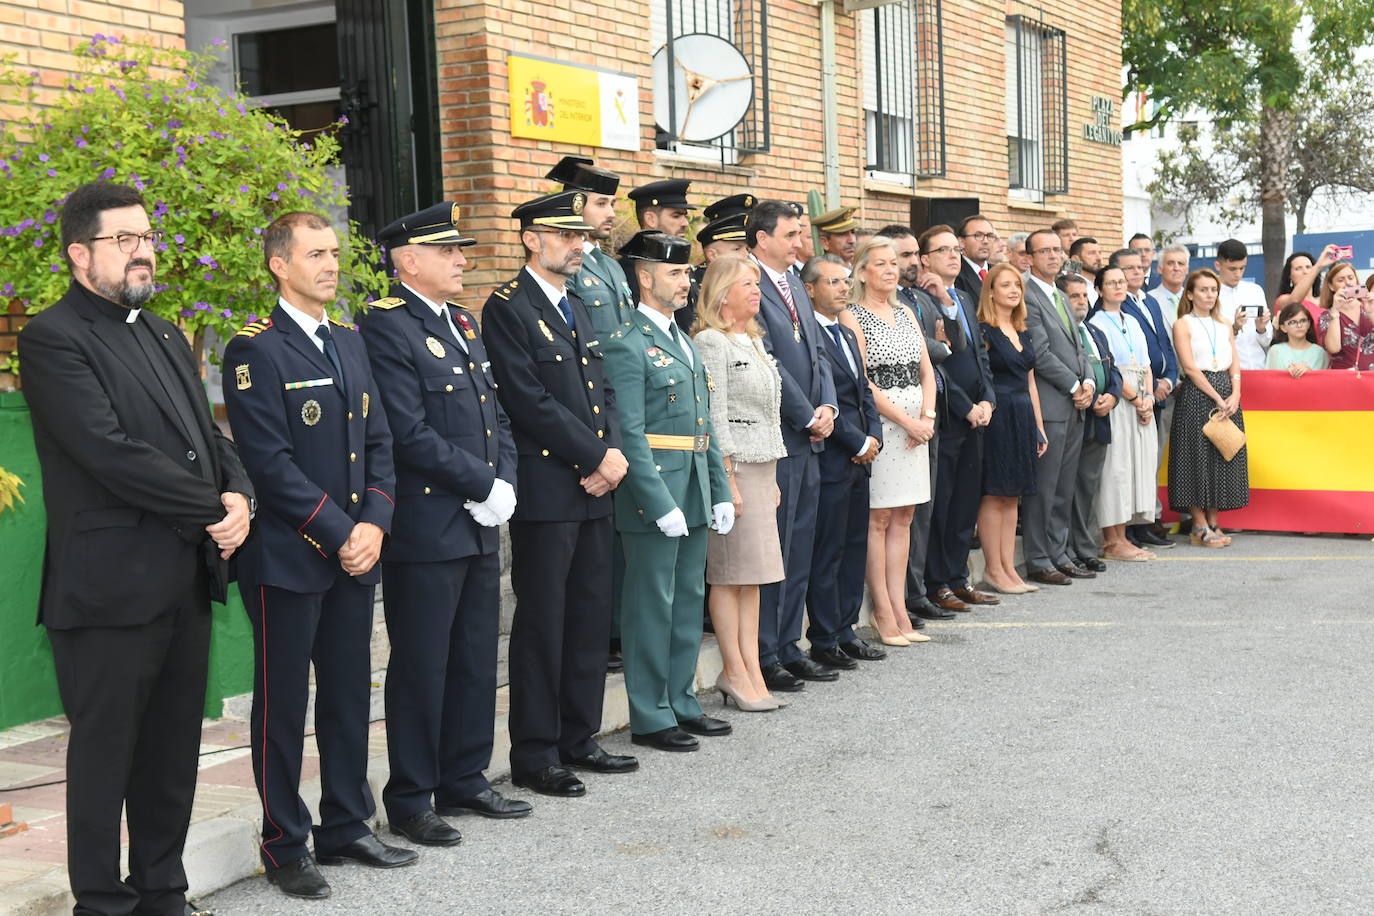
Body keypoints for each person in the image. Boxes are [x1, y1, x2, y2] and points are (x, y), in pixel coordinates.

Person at [18, 181, 253, 916]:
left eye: (147, 238)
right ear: (79, 253)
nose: (144, 251)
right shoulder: (53, 336)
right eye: (125, 240)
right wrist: (213, 506)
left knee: (171, 757)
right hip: (108, 591)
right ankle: (102, 904)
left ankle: (163, 894)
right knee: (105, 761)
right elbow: (109, 453)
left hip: (181, 575)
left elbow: (205, 436)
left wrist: (241, 492)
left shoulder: (159, 330)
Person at [224, 211, 411, 899]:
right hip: (289, 556)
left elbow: (382, 442)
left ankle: (347, 823)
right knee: (282, 706)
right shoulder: (255, 350)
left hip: (356, 553)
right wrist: (343, 532)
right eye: (315, 254)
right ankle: (284, 844)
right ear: (279, 264)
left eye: (335, 253)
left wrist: (377, 526)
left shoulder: (350, 341)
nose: (331, 265)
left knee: (344, 695)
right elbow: (269, 464)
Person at [356, 204, 526, 849]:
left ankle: (465, 775)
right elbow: (406, 431)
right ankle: (410, 796)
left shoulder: (461, 320)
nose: (462, 260)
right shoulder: (386, 327)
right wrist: (482, 483)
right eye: (448, 251)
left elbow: (497, 417)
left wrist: (502, 480)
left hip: (479, 518)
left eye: (461, 250)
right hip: (429, 523)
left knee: (477, 656)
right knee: (423, 663)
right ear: (408, 261)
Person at [481, 190, 636, 797]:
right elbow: (527, 401)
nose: (580, 246)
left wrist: (614, 454)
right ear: (530, 238)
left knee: (589, 616)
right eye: (567, 236)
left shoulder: (575, 305)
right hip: (549, 489)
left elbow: (605, 391)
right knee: (544, 621)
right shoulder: (507, 308)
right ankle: (536, 753)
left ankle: (579, 735)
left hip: (596, 483)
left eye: (583, 237)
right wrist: (597, 455)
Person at [603, 232, 735, 750]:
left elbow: (704, 424)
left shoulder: (682, 337)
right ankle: (651, 714)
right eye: (676, 273)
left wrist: (720, 489)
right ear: (645, 277)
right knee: (651, 602)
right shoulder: (626, 342)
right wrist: (656, 501)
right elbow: (629, 432)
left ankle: (681, 700)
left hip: (695, 482)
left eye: (686, 273)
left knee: (687, 599)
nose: (686, 281)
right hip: (656, 488)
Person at [746, 199, 840, 692]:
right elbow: (768, 360)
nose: (799, 244)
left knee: (800, 541)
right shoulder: (748, 284)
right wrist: (805, 414)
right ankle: (765, 651)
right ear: (763, 239)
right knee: (774, 546)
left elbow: (817, 351)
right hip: (780, 434)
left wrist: (828, 406)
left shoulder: (794, 285)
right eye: (790, 236)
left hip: (811, 433)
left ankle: (789, 644)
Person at [690, 255, 789, 707]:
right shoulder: (711, 341)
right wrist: (726, 479)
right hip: (735, 469)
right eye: (746, 283)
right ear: (722, 292)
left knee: (752, 578)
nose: (756, 290)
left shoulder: (750, 339)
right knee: (730, 575)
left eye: (756, 283)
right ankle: (734, 670)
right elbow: (715, 414)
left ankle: (751, 668)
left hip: (762, 467)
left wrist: (770, 478)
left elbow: (767, 412)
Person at [842, 236, 936, 645]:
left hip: (919, 426)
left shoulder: (907, 312)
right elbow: (862, 380)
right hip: (885, 424)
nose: (889, 270)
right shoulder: (853, 315)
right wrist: (905, 421)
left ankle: (901, 608)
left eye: (893, 263)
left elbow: (927, 370)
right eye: (879, 264)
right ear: (861, 271)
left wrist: (927, 417)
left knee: (905, 517)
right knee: (878, 518)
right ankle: (882, 610)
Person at [802, 254, 887, 665]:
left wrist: (874, 438)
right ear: (810, 288)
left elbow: (864, 392)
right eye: (832, 282)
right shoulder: (809, 336)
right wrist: (855, 443)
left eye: (844, 281)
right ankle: (824, 637)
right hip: (834, 455)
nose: (842, 288)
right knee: (829, 550)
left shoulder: (848, 334)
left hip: (861, 454)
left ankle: (846, 627)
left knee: (855, 547)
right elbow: (822, 401)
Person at [917, 224, 999, 612]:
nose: (953, 255)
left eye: (955, 248)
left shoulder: (964, 297)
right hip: (949, 417)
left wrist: (988, 401)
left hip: (978, 416)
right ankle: (937, 583)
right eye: (943, 250)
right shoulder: (921, 300)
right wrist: (966, 406)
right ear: (925, 259)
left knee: (966, 503)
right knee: (944, 504)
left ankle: (957, 577)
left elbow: (979, 358)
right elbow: (938, 364)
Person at [880, 224, 956, 628]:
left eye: (909, 256)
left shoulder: (921, 301)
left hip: (928, 415)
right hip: (893, 422)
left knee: (918, 513)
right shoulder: (876, 309)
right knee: (889, 517)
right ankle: (899, 599)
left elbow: (951, 345)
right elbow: (932, 348)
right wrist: (937, 346)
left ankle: (915, 591)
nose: (906, 264)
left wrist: (925, 417)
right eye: (899, 257)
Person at [1021, 229, 1096, 584]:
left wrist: (1089, 382)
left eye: (1057, 249)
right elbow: (1040, 352)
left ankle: (1059, 551)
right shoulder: (1028, 293)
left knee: (1064, 487)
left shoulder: (1061, 294)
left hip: (1075, 403)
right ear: (1030, 257)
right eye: (1044, 250)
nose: (1053, 255)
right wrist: (1072, 383)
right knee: (1045, 488)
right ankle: (1038, 557)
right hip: (1051, 404)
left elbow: (1078, 345)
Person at [977, 262, 1048, 594]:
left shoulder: (1023, 330)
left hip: (1022, 413)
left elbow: (1031, 382)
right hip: (998, 414)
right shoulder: (984, 330)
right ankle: (994, 569)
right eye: (1005, 285)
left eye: (1017, 285)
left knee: (1013, 495)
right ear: (991, 291)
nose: (1013, 290)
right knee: (995, 494)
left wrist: (1038, 425)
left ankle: (1008, 566)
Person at [1168, 268, 1249, 546]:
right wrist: (1216, 396)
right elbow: (1189, 366)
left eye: (1213, 289)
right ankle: (1198, 524)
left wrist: (1235, 393)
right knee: (1193, 458)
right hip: (1197, 392)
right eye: (1203, 289)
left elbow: (1234, 362)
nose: (1209, 294)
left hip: (1226, 392)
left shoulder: (1225, 324)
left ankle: (1214, 519)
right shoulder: (1183, 323)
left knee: (1221, 455)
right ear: (1190, 294)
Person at [1088, 266, 1158, 562]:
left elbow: (1146, 364)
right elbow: (1111, 368)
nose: (1118, 286)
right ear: (1100, 289)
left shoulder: (1131, 320)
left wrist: (1149, 398)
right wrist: (1134, 397)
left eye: (1122, 282)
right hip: (1121, 398)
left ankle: (1124, 534)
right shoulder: (1098, 323)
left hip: (1142, 396)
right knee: (1116, 468)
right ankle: (1111, 539)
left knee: (1135, 467)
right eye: (1111, 282)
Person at [1111, 247, 1177, 550]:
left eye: (1139, 267)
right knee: (1133, 464)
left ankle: (1148, 519)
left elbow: (1164, 343)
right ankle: (1136, 526)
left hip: (1158, 390)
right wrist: (1148, 390)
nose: (1137, 273)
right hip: (1133, 393)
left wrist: (1169, 379)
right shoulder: (1114, 308)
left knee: (1151, 461)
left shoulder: (1149, 300)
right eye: (1129, 269)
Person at [1061, 274, 1120, 573]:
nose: (1082, 301)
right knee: (1067, 490)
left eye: (1084, 296)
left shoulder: (1095, 331)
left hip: (1100, 420)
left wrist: (1111, 395)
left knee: (1088, 488)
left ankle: (1085, 548)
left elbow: (1113, 369)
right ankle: (1067, 550)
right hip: (1074, 417)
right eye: (1074, 296)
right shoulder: (1064, 334)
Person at [548, 156, 636, 341]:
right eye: (601, 204)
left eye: (612, 204)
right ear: (576, 207)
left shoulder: (613, 266)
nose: (611, 214)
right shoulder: (564, 264)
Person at [684, 193, 756, 332]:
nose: (746, 254)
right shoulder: (692, 284)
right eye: (736, 248)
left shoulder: (752, 281)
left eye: (747, 248)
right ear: (712, 254)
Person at [621, 179, 696, 302]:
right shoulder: (627, 271)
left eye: (685, 216)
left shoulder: (682, 265)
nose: (685, 223)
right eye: (676, 216)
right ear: (650, 219)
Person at [1212, 239, 1272, 370]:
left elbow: (1267, 341)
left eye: (1242, 268)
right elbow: (1210, 343)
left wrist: (1261, 329)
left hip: (1260, 369)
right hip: (1227, 374)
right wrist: (1234, 329)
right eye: (1232, 269)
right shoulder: (1210, 295)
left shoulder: (1255, 290)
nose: (1238, 274)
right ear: (1218, 265)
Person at [1318, 260, 1374, 370]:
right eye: (1341, 280)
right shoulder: (1326, 316)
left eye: (1350, 278)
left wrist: (1370, 311)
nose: (1347, 283)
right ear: (1331, 286)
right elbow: (1333, 348)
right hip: (1345, 377)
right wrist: (1335, 311)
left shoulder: (1371, 306)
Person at [1274, 247, 1337, 325]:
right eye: (1298, 268)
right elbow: (1294, 302)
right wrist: (1318, 266)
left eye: (1308, 267)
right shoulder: (1283, 300)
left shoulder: (1325, 301)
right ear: (1289, 275)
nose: (1305, 272)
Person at [1266, 302, 1330, 376]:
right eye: (1293, 322)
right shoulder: (1275, 350)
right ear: (1283, 327)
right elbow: (1270, 380)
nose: (1299, 325)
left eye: (1303, 321)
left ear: (1309, 324)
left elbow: (1323, 383)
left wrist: (1310, 373)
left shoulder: (1320, 352)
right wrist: (1285, 375)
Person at [955, 214, 997, 302]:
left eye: (989, 236)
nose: (985, 241)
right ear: (961, 242)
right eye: (978, 235)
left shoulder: (998, 272)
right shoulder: (956, 274)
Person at [1148, 244, 1190, 318]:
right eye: (1170, 263)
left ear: (1187, 270)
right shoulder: (1148, 300)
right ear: (1160, 269)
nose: (1176, 268)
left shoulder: (1195, 300)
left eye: (1181, 264)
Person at [1068, 236, 1103, 305]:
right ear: (1075, 259)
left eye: (1100, 253)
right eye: (1091, 253)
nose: (1099, 258)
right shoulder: (1068, 286)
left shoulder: (1103, 284)